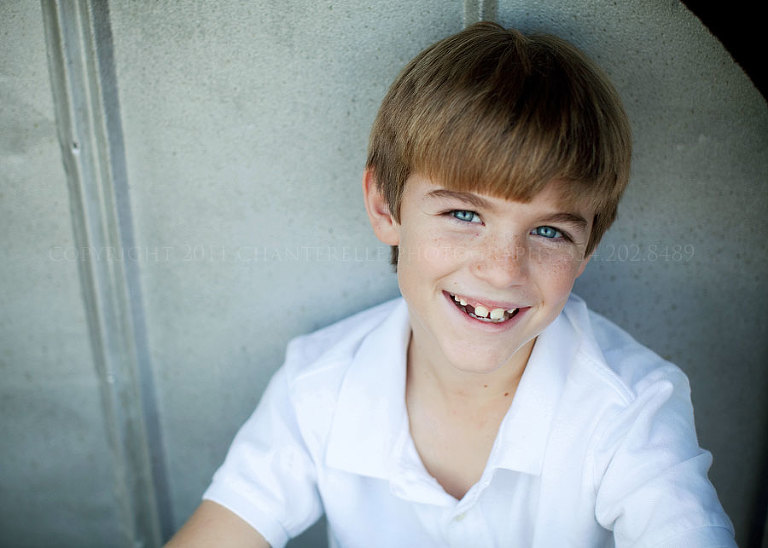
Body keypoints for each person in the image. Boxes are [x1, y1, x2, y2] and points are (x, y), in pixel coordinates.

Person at [167, 22, 735, 547]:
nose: (503, 269)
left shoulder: (630, 409)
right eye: (464, 215)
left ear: (587, 249)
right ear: (386, 207)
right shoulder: (318, 386)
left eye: (549, 231)